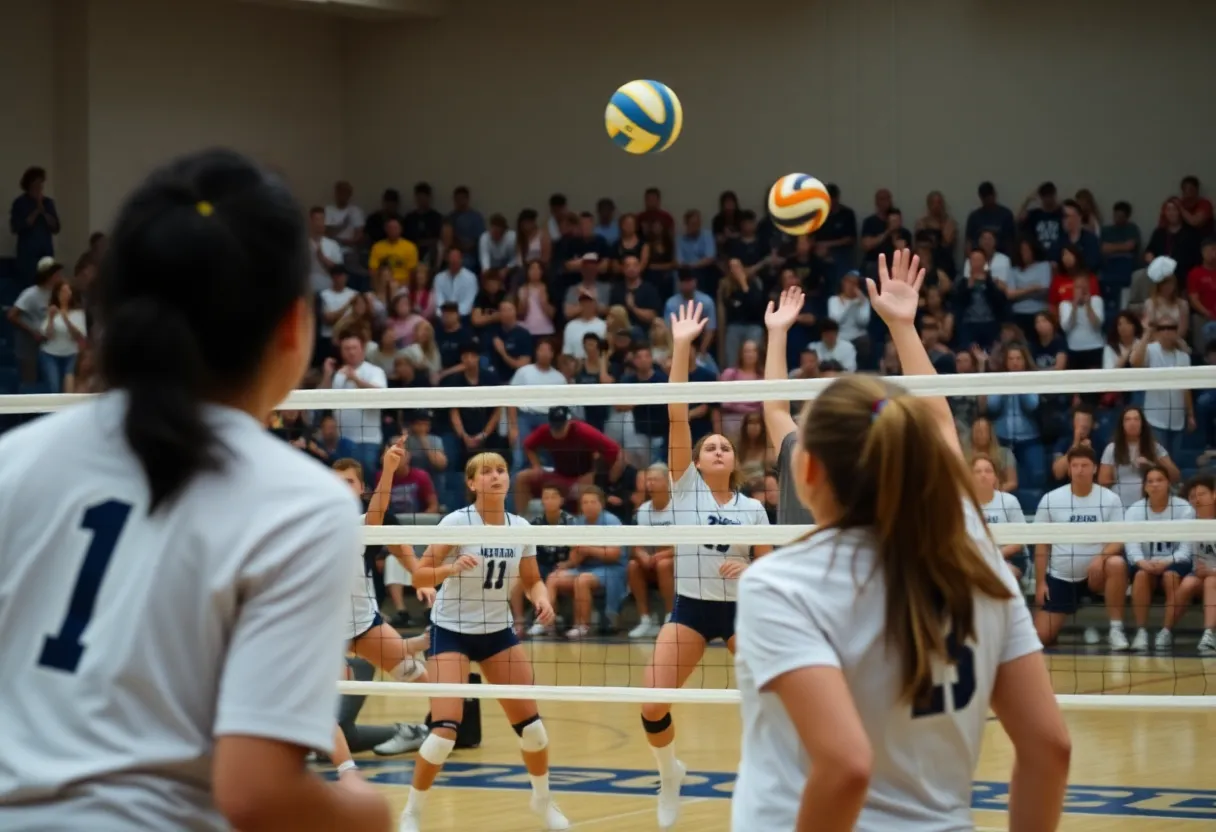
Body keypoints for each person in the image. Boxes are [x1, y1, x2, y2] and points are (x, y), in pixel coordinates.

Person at [0, 150, 391, 830]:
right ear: (294, 327)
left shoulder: (16, 460)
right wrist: (366, 812)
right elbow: (259, 794)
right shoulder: (301, 502)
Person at [732, 251, 1069, 832]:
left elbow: (845, 767)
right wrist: (904, 327)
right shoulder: (973, 553)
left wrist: (779, 335)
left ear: (806, 471)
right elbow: (1050, 748)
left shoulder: (781, 584)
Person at [640, 300, 772, 829]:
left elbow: (769, 567)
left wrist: (753, 572)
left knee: (775, 702)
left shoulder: (754, 508)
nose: (718, 450)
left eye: (725, 447)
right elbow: (677, 408)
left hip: (743, 614)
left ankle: (766, 778)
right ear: (695, 462)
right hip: (692, 610)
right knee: (652, 703)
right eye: (710, 446)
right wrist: (681, 347)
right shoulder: (686, 491)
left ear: (735, 461)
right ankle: (670, 773)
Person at [404, 452, 567, 832]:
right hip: (451, 631)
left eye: (501, 471)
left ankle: (543, 800)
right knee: (444, 732)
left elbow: (531, 579)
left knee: (533, 729)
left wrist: (540, 597)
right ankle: (411, 812)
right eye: (486, 472)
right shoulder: (455, 522)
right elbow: (419, 577)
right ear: (472, 483)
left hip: (497, 633)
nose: (496, 477)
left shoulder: (520, 526)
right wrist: (449, 568)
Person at [1034, 445, 1126, 649]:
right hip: (1061, 576)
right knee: (1040, 639)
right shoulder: (1051, 499)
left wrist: (1101, 557)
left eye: (1085, 465)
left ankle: (1116, 629)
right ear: (1069, 469)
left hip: (1097, 576)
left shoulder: (1110, 499)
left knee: (1117, 563)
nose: (1079, 470)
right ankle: (1073, 626)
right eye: (1074, 465)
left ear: (1094, 468)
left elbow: (1119, 539)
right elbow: (1041, 544)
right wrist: (1040, 583)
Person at [761, 285, 816, 526]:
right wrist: (777, 332)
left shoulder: (868, 455)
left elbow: (775, 410)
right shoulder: (797, 447)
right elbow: (776, 408)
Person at [1125, 465, 1195, 652]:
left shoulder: (1183, 508)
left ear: (1168, 484)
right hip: (1145, 563)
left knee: (1170, 577)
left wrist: (1166, 561)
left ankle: (1166, 630)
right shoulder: (1135, 510)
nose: (1155, 485)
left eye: (1159, 480)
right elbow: (1131, 547)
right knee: (1140, 576)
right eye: (1150, 481)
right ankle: (1141, 632)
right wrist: (1142, 563)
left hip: (1175, 562)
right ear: (1145, 486)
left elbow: (1186, 550)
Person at [627, 462, 677, 639]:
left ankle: (672, 617)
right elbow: (635, 545)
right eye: (648, 480)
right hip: (652, 562)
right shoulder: (643, 510)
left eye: (655, 479)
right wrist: (642, 555)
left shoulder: (680, 507)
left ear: (667, 482)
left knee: (663, 564)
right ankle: (646, 619)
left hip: (679, 563)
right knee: (633, 565)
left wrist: (662, 554)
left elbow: (687, 543)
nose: (650, 484)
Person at [971, 454, 1029, 579]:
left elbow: (1020, 540)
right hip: (975, 558)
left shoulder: (1009, 501)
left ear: (995, 477)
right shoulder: (964, 504)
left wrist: (993, 556)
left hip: (1008, 557)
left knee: (1001, 575)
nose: (983, 475)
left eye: (988, 471)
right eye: (978, 471)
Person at [1178, 474, 1216, 653]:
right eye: (1192, 496)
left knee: (1211, 581)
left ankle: (1209, 634)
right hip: (1202, 575)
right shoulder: (1191, 521)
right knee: (1187, 584)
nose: (1196, 499)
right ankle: (1166, 630)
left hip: (1213, 576)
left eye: (1201, 494)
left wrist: (1212, 571)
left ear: (1214, 495)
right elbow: (1192, 558)